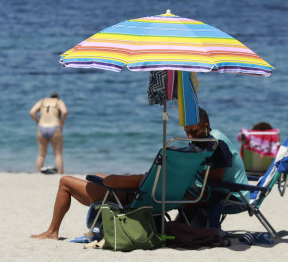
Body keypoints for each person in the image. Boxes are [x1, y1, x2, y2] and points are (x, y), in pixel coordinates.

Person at [30, 107, 244, 240]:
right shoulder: (202, 146)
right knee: (98, 175)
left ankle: (51, 231)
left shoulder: (216, 144)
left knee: (65, 181)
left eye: (193, 131)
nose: (189, 136)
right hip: (162, 195)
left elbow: (114, 182)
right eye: (186, 132)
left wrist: (120, 179)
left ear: (206, 125)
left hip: (133, 197)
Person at [29, 93, 68, 174]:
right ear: (57, 98)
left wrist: (38, 121)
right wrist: (62, 123)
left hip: (42, 127)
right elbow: (64, 112)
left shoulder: (42, 101)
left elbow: (32, 112)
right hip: (55, 127)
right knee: (58, 154)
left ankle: (37, 173)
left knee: (41, 154)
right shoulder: (59, 102)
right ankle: (60, 174)